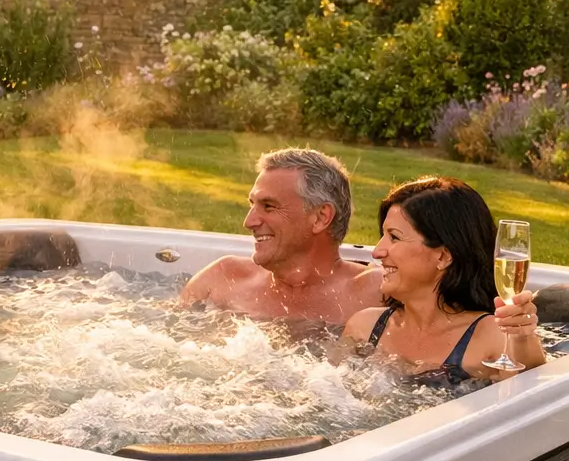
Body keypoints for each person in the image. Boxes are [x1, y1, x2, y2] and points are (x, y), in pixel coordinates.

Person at [343, 177, 544, 381]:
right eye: (383, 235)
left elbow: (531, 389)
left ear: (443, 257)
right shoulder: (363, 329)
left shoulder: (491, 338)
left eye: (394, 237)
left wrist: (522, 338)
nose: (377, 251)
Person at [179, 148, 382, 325]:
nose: (249, 222)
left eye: (268, 206)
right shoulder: (223, 278)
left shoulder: (373, 293)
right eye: (252, 205)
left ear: (321, 217)